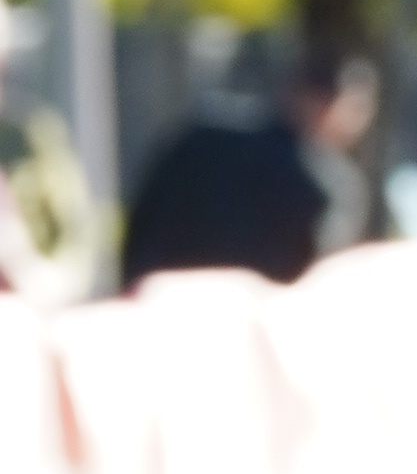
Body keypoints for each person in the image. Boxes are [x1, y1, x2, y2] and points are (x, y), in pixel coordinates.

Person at [121, 45, 375, 290]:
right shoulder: (323, 182)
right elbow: (322, 280)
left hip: (167, 300)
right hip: (256, 313)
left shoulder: (201, 138)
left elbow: (145, 232)